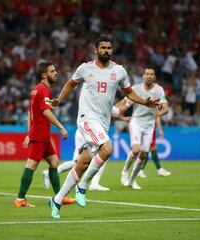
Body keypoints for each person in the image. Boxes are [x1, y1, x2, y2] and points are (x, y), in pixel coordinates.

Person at [47, 35, 160, 218]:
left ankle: (57, 200)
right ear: (95, 50)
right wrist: (59, 100)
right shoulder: (85, 68)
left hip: (102, 122)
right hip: (86, 119)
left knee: (83, 162)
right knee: (107, 149)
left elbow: (129, 92)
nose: (106, 50)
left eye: (109, 48)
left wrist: (145, 103)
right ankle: (83, 186)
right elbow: (70, 84)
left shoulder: (119, 71)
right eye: (103, 48)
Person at [13, 61, 74, 208]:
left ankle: (59, 197)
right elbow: (45, 112)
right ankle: (20, 199)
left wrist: (29, 133)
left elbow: (31, 113)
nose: (56, 73)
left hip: (41, 134)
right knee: (31, 165)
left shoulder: (36, 90)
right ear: (44, 75)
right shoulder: (43, 90)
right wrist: (61, 127)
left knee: (54, 162)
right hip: (40, 134)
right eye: (52, 71)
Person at [120, 68, 168, 189]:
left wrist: (159, 113)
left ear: (154, 77)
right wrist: (117, 112)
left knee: (143, 155)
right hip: (136, 122)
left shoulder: (159, 90)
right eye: (147, 74)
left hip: (149, 126)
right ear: (143, 76)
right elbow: (125, 103)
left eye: (151, 74)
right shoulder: (136, 88)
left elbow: (165, 108)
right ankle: (125, 171)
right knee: (136, 150)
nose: (149, 76)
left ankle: (132, 181)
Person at [41, 128, 110, 191]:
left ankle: (48, 174)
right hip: (88, 130)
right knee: (100, 156)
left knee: (78, 161)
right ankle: (93, 184)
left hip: (85, 130)